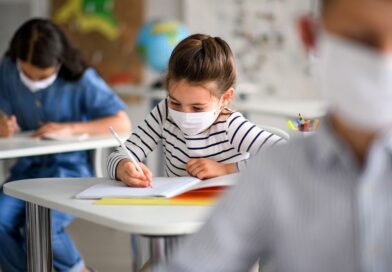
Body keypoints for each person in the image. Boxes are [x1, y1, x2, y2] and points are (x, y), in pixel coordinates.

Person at [156, 0, 392, 271]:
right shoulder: (273, 174)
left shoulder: (248, 144)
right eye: (360, 40)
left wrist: (226, 167)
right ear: (311, 36)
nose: (384, 60)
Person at [0, 19, 131, 272]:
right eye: (26, 73)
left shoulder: (82, 79)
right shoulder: (7, 71)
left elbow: (122, 122)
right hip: (25, 172)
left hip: (69, 171)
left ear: (58, 63)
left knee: (40, 227)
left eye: (43, 76)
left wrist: (72, 128)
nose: (33, 80)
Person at [107, 34, 284, 187]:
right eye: (175, 102)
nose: (184, 115)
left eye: (197, 108)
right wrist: (123, 167)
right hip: (178, 214)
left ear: (225, 98)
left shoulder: (230, 126)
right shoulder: (164, 112)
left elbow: (284, 154)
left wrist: (226, 169)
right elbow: (121, 153)